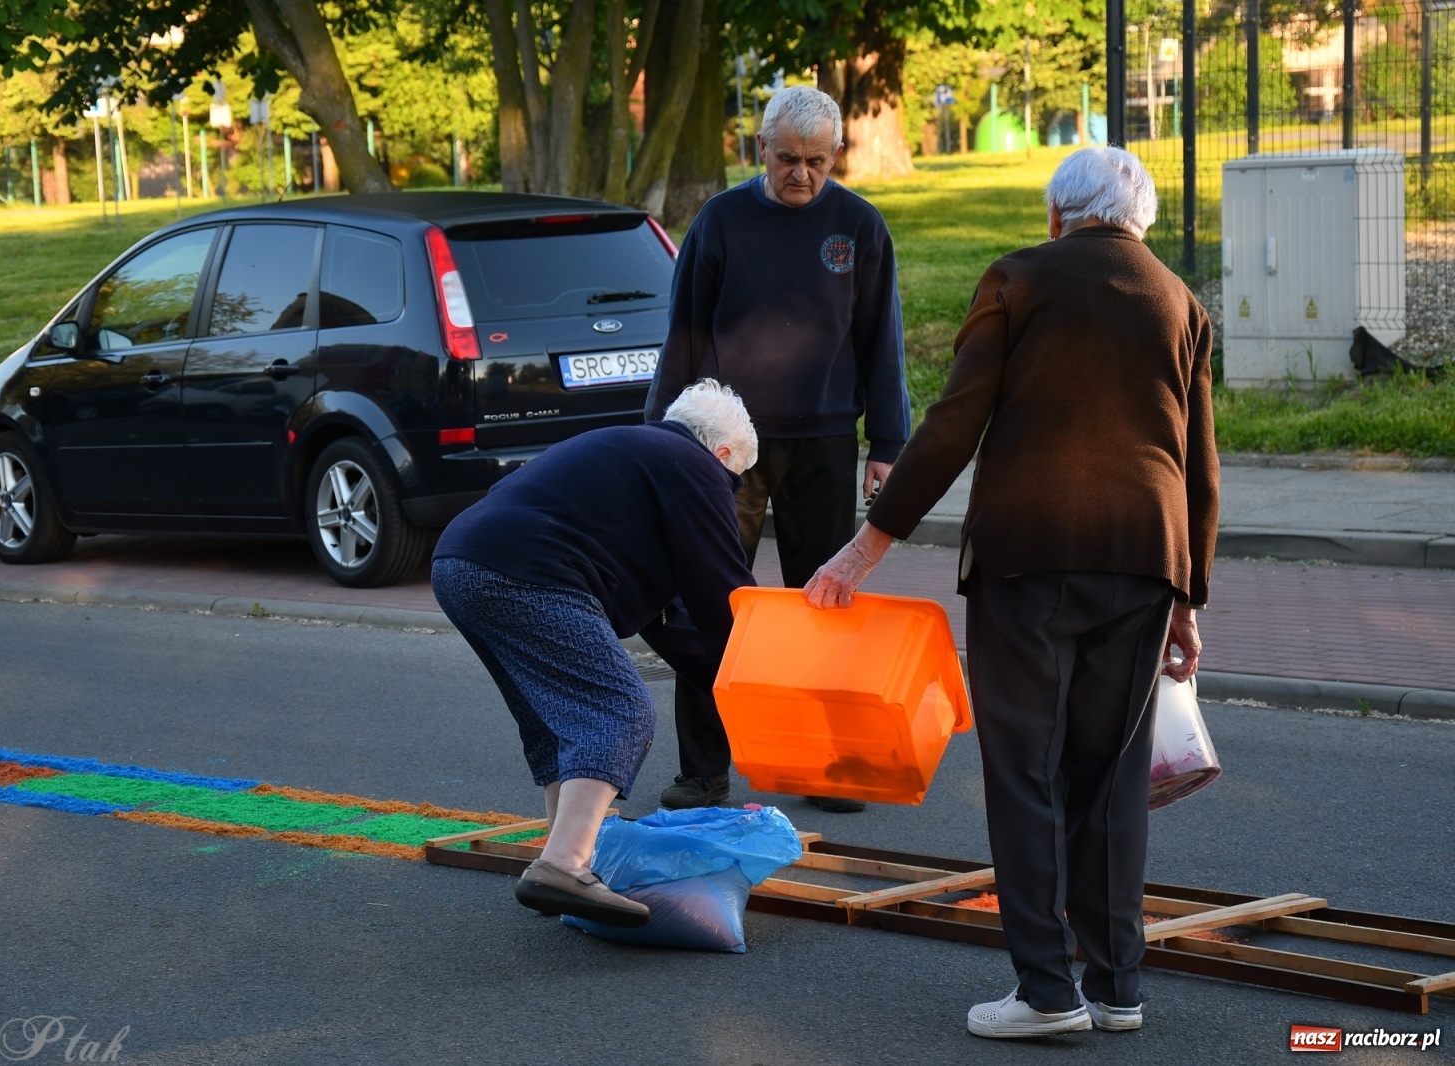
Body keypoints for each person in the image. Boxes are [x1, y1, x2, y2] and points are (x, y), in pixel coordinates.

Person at [804, 147, 1219, 1037]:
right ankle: (1116, 987)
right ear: (1138, 219)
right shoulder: (1182, 302)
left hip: (1027, 556)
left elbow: (955, 423)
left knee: (1025, 769)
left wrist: (862, 551)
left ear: (1058, 214)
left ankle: (1044, 990)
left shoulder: (1020, 279)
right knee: (1110, 778)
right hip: (1148, 556)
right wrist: (1189, 597)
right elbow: (1198, 465)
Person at [644, 84, 910, 813]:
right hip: (724, 446)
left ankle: (821, 764)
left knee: (820, 606)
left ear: (836, 155)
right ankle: (704, 773)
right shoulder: (721, 223)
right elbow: (685, 335)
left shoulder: (858, 226)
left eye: (817, 162)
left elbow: (880, 339)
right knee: (708, 604)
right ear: (759, 149)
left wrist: (887, 441)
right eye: (788, 159)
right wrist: (663, 438)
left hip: (823, 441)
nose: (802, 175)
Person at [432, 380, 758, 927]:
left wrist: (726, 685)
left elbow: (672, 621)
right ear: (723, 454)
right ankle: (564, 864)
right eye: (735, 483)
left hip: (461, 562)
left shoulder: (636, 456)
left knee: (553, 718)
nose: (729, 494)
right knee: (619, 712)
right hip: (529, 570)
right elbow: (724, 593)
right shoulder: (695, 466)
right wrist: (761, 683)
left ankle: (556, 867)